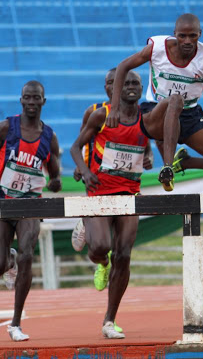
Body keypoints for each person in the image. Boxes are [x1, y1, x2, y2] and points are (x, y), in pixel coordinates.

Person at [105, 13, 203, 187]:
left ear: (200, 34)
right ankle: (167, 168)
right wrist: (114, 108)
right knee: (175, 100)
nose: (187, 41)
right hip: (155, 112)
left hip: (190, 117)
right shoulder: (157, 48)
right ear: (175, 34)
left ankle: (184, 162)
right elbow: (123, 66)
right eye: (182, 36)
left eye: (192, 36)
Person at [0, 81, 62, 342]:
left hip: (30, 205)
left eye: (37, 98)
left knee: (27, 254)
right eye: (27, 98)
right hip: (2, 203)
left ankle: (15, 322)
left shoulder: (49, 137)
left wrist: (55, 183)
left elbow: (54, 176)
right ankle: (8, 260)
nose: (32, 102)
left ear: (44, 101)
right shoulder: (7, 128)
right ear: (21, 100)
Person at [70, 69, 154, 339]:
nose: (131, 87)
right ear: (115, 87)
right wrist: (83, 170)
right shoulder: (99, 114)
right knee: (101, 248)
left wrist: (150, 154)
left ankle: (109, 320)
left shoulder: (146, 116)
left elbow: (144, 139)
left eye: (135, 83)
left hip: (129, 193)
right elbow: (76, 147)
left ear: (141, 89)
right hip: (99, 191)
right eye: (125, 83)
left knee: (125, 254)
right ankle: (100, 260)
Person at [71, 69, 153, 253]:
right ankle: (89, 227)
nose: (112, 87)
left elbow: (143, 144)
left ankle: (106, 262)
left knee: (120, 243)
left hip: (127, 181)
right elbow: (82, 142)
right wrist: (82, 168)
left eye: (115, 83)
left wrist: (148, 158)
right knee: (101, 238)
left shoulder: (140, 115)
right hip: (97, 175)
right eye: (109, 83)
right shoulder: (94, 112)